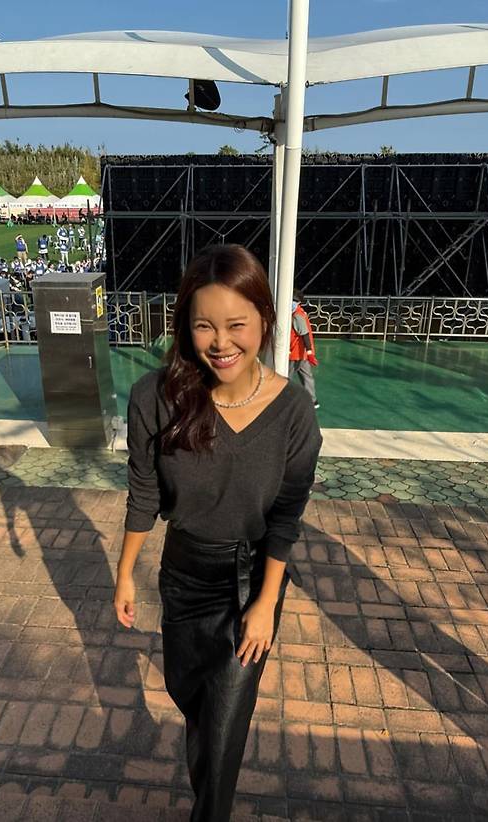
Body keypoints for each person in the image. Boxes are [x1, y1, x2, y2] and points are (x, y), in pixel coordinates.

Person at [114, 244, 322, 822]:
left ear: (265, 320)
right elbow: (144, 493)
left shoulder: (293, 413)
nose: (221, 342)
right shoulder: (155, 398)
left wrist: (265, 604)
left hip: (247, 582)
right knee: (193, 701)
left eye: (237, 324)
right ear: (185, 325)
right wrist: (125, 574)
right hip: (182, 575)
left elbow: (286, 515)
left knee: (225, 727)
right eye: (204, 325)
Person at [289, 289, 319, 409]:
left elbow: (305, 334)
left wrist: (309, 352)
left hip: (295, 353)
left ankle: (285, 399)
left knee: (286, 377)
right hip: (302, 353)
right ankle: (312, 400)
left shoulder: (297, 316)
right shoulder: (299, 313)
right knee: (307, 377)